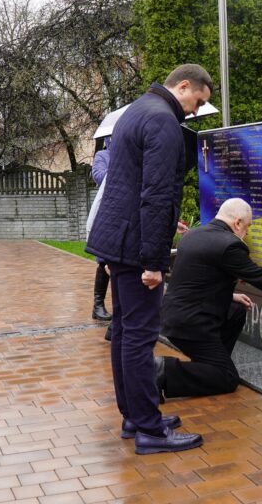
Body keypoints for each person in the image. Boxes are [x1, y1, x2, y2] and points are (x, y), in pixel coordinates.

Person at [86, 63, 213, 455]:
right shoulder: (162, 121)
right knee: (139, 337)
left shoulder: (138, 109)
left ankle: (134, 416)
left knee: (125, 332)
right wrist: (154, 263)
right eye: (197, 102)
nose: (195, 111)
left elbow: (132, 184)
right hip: (136, 246)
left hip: (119, 238)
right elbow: (156, 195)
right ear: (184, 85)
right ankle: (149, 429)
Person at [157, 198, 262, 401]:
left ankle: (214, 362)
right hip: (191, 323)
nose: (247, 232)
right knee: (227, 377)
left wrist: (230, 295)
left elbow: (194, 281)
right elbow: (261, 277)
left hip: (175, 315)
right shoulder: (229, 244)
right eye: (247, 226)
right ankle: (162, 370)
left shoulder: (193, 235)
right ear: (238, 222)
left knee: (236, 310)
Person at [89, 138, 112, 323]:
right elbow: (97, 175)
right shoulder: (102, 155)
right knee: (104, 258)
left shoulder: (133, 153)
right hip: (107, 210)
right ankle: (98, 305)